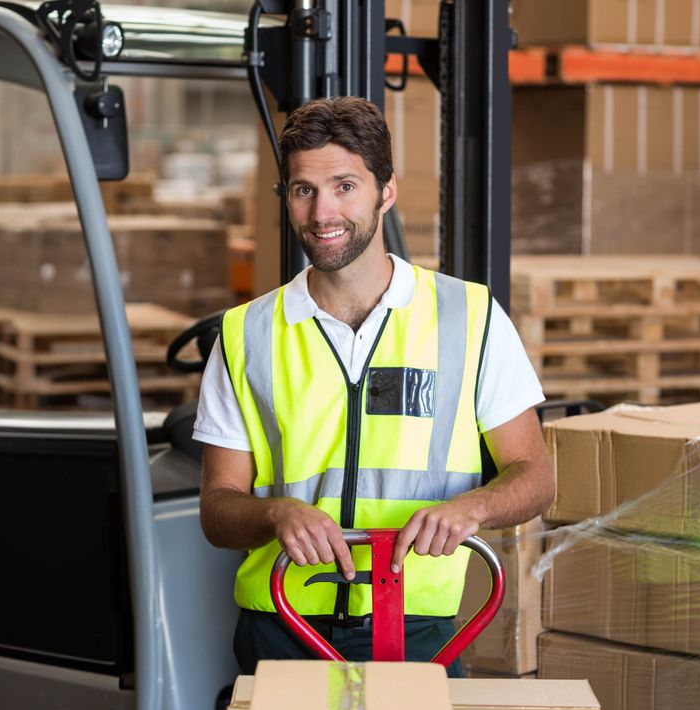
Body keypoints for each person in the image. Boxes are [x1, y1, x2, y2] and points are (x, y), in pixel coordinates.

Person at [193, 96, 553, 676]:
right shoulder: (247, 334)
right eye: (303, 190)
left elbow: (535, 477)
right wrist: (276, 515)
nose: (321, 213)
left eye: (344, 186)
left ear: (386, 192)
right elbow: (217, 510)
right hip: (282, 629)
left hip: (417, 630)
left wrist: (471, 508)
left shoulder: (470, 317)